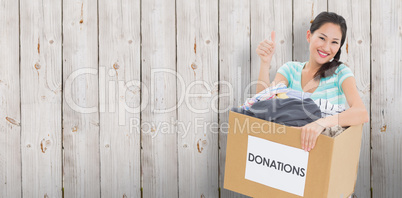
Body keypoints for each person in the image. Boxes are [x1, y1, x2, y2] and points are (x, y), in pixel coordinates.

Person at [255, 11, 369, 154]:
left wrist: (320, 123)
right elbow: (261, 102)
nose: (327, 47)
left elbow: (361, 113)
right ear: (309, 36)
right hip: (286, 154)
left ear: (339, 46)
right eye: (322, 38)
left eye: (334, 42)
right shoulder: (290, 70)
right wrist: (265, 63)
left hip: (321, 156)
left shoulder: (340, 73)